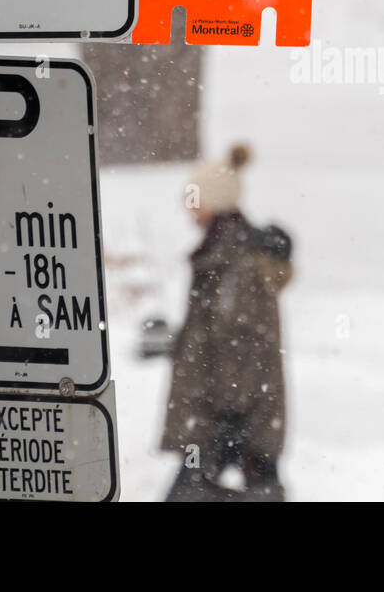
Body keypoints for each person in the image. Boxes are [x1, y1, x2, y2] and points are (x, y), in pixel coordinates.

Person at [161, 144, 294, 501]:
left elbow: (236, 342)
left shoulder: (233, 260)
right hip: (227, 413)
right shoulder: (220, 253)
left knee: (189, 495)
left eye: (193, 197)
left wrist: (228, 416)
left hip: (224, 415)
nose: (187, 207)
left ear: (215, 201)